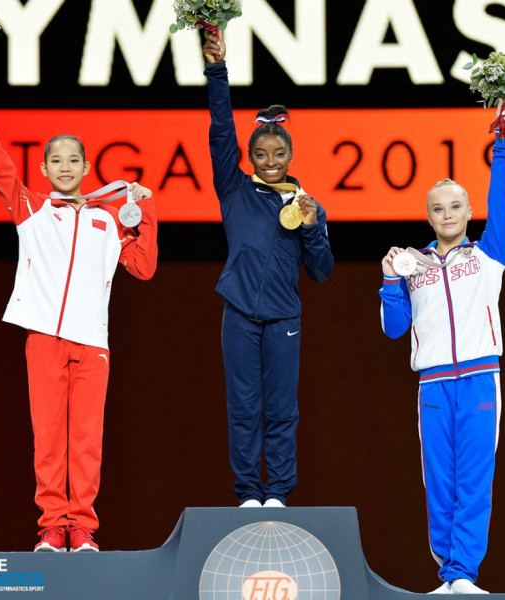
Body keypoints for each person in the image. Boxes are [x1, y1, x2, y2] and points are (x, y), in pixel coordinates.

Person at [0, 66, 158, 552]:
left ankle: (82, 528)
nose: (65, 167)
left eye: (73, 160)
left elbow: (144, 267)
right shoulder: (31, 208)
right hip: (44, 338)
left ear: (86, 167)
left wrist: (146, 210)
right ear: (44, 169)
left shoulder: (110, 220)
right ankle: (51, 526)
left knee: (86, 441)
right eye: (55, 160)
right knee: (48, 439)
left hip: (93, 344)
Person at [379, 100, 505, 594]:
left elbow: (502, 202)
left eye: (456, 206)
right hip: (433, 385)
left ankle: (464, 573)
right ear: (428, 216)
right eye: (438, 209)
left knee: (474, 481)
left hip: (480, 379)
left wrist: (503, 146)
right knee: (439, 483)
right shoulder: (411, 266)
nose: (447, 214)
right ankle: (448, 574)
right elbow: (393, 329)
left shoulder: (488, 255)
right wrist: (390, 281)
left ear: (468, 211)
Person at [202, 33, 334, 508]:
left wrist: (314, 229)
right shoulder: (234, 190)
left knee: (281, 410)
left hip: (284, 320)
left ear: (290, 156)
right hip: (239, 314)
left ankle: (276, 491)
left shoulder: (307, 205)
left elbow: (321, 272)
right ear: (250, 158)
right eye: (261, 154)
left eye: (279, 154)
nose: (271, 161)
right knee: (243, 408)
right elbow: (221, 129)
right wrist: (217, 71)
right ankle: (247, 493)